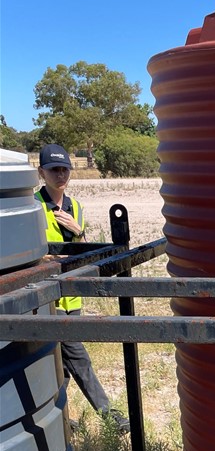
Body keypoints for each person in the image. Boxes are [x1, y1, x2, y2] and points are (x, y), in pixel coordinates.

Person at [35, 144, 130, 433]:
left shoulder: (75, 207)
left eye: (64, 169)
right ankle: (111, 416)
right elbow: (29, 255)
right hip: (44, 295)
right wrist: (50, 257)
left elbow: (85, 250)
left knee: (58, 364)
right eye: (53, 170)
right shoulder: (33, 207)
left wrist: (79, 232)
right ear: (42, 172)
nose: (60, 174)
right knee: (77, 355)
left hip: (71, 296)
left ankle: (58, 418)